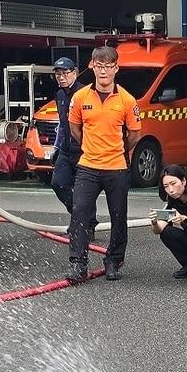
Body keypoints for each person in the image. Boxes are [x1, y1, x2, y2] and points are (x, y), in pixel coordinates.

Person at [67, 45, 141, 282]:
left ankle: (113, 260)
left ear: (116, 68)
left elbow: (134, 135)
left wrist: (116, 150)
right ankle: (78, 263)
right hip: (88, 165)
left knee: (118, 215)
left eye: (108, 66)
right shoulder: (80, 97)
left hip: (116, 166)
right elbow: (75, 128)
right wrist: (91, 146)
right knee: (79, 211)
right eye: (99, 66)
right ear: (92, 67)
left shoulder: (128, 100)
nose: (103, 71)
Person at [47, 56, 81, 216]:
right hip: (66, 150)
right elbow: (61, 124)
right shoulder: (60, 94)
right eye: (58, 74)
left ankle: (87, 225)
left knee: (84, 190)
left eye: (65, 73)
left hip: (83, 150)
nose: (61, 77)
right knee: (58, 183)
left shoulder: (84, 93)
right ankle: (78, 216)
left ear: (75, 73)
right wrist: (55, 147)